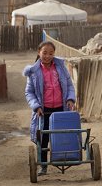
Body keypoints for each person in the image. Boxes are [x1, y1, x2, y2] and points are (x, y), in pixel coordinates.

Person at [24, 41, 76, 176]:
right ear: (38, 52)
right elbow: (29, 92)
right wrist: (36, 106)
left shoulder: (60, 67)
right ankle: (43, 167)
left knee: (62, 136)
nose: (47, 56)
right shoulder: (33, 72)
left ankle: (64, 159)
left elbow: (69, 85)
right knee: (44, 138)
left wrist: (70, 99)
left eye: (51, 53)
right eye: (44, 53)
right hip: (44, 110)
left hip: (61, 108)